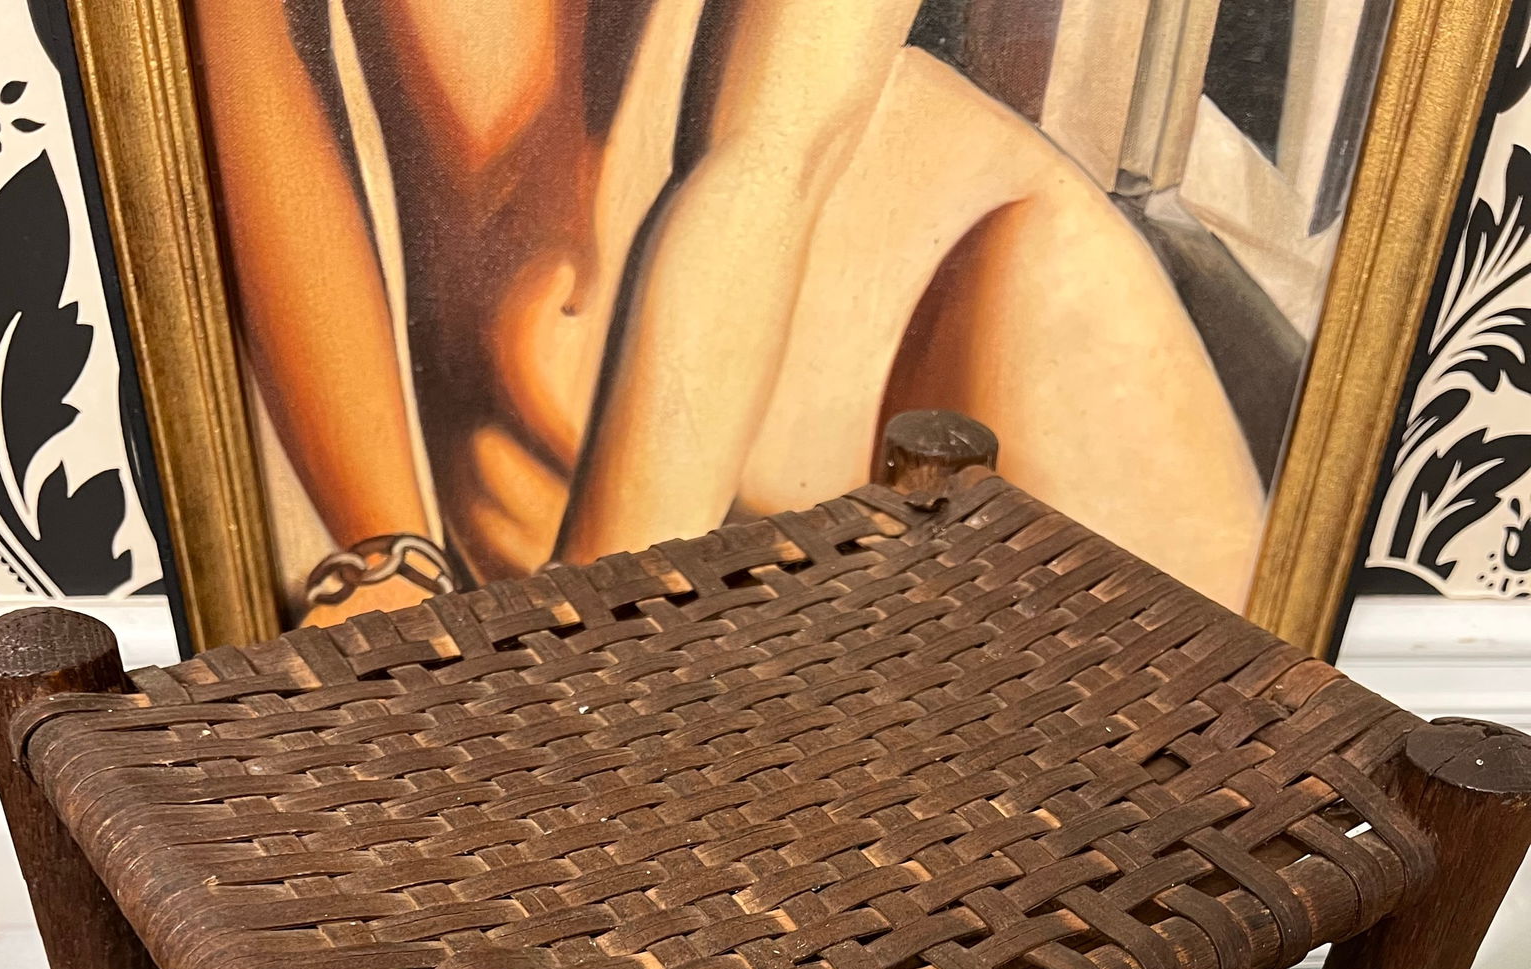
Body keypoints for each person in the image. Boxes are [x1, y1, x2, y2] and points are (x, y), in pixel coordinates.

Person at [188, 0, 1263, 622]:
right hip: (552, 519)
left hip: (991, 415)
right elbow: (244, 76)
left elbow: (768, 165)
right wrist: (384, 552)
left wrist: (579, 652)